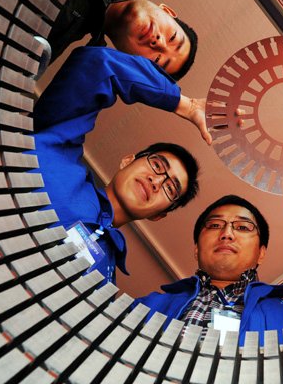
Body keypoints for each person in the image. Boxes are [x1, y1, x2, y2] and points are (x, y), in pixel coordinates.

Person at [31, 45, 212, 286]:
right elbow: (97, 64)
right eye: (157, 165)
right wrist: (184, 105)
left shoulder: (106, 282)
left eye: (170, 189)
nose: (157, 181)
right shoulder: (58, 151)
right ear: (128, 160)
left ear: (158, 215)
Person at [132, 195, 283, 345]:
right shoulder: (146, 306)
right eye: (214, 225)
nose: (227, 233)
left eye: (243, 227)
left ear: (261, 253)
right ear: (196, 248)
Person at [47, 0, 198, 81]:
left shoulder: (49, 42)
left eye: (157, 59)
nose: (159, 43)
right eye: (172, 37)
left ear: (133, 64)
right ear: (167, 11)